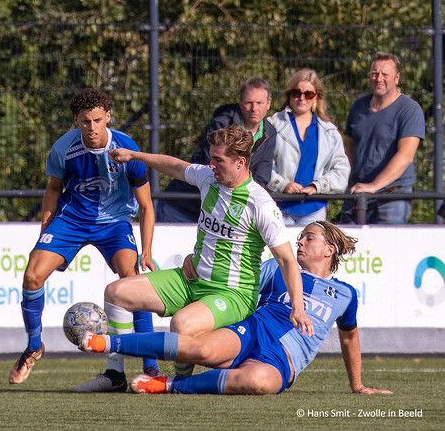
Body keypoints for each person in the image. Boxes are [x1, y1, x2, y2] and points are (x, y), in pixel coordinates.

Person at [77, 221, 393, 397]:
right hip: (251, 330)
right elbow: (235, 282)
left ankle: (170, 385)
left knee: (260, 383)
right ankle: (106, 342)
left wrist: (357, 385)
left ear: (329, 249)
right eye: (299, 239)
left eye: (308, 239)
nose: (299, 244)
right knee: (197, 348)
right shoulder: (275, 268)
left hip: (281, 359)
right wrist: (197, 264)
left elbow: (349, 339)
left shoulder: (345, 294)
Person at [107, 125, 312, 378]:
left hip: (233, 293)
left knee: (181, 324)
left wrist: (298, 307)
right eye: (211, 157)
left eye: (218, 160)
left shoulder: (260, 204)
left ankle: (179, 380)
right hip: (191, 279)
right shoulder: (208, 178)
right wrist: (136, 156)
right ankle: (114, 374)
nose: (211, 164)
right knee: (116, 292)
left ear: (240, 162)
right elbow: (175, 166)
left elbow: (287, 260)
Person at [8, 88, 157, 392]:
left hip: (114, 223)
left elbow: (146, 206)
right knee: (33, 276)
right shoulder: (64, 148)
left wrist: (147, 251)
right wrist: (45, 232)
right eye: (85, 122)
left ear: (108, 117)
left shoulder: (127, 149)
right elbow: (53, 189)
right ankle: (34, 346)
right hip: (72, 219)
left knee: (132, 280)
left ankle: (150, 366)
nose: (92, 128)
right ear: (76, 121)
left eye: (98, 120)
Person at [156, 77, 277, 223]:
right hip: (182, 207)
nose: (254, 109)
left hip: (224, 212)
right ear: (240, 102)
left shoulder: (270, 132)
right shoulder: (221, 125)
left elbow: (262, 177)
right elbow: (213, 167)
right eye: (248, 103)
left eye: (259, 103)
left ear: (269, 104)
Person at [341, 52, 425, 224]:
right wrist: (346, 182)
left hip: (392, 196)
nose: (379, 78)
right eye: (374, 73)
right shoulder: (358, 106)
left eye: (385, 74)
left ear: (397, 78)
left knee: (389, 249)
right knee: (349, 247)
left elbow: (406, 156)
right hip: (357, 194)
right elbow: (348, 148)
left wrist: (374, 186)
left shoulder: (409, 109)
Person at [267, 69, 350, 226]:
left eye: (308, 94)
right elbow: (260, 165)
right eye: (296, 93)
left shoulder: (329, 132)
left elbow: (341, 171)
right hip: (278, 206)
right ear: (289, 95)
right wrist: (282, 185)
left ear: (316, 97)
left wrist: (317, 186)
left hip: (314, 209)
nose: (302, 98)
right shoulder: (273, 125)